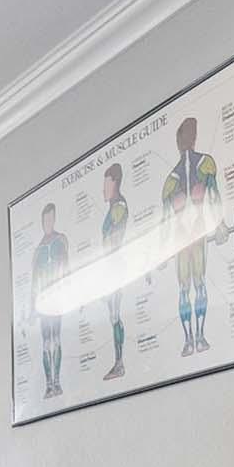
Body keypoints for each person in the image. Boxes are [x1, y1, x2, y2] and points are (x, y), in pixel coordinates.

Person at [162, 117, 222, 354]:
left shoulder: (177, 178)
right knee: (189, 286)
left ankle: (197, 337)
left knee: (194, 285)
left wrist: (221, 225)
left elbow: (216, 200)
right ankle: (192, 338)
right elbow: (165, 224)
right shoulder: (176, 179)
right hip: (184, 237)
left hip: (194, 233)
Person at [32, 202, 69, 397]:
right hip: (43, 303)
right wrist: (32, 308)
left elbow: (68, 269)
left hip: (57, 300)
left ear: (54, 219)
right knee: (46, 343)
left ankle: (57, 382)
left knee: (56, 339)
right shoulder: (37, 251)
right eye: (45, 219)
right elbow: (33, 282)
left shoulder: (61, 240)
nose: (48, 222)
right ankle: (48, 384)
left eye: (50, 218)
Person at [99, 163, 129, 380]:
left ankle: (119, 363)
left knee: (115, 316)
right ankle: (118, 361)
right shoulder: (113, 207)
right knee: (112, 317)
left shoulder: (119, 206)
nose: (103, 190)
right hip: (109, 270)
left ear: (114, 183)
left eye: (106, 184)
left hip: (115, 269)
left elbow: (114, 241)